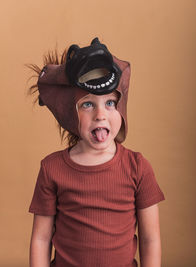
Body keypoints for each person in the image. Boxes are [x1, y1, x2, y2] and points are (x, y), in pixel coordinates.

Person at [28, 37, 165, 267]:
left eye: (110, 103)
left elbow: (150, 240)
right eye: (88, 104)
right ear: (71, 115)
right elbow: (41, 240)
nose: (101, 114)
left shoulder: (138, 167)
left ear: (121, 108)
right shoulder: (52, 169)